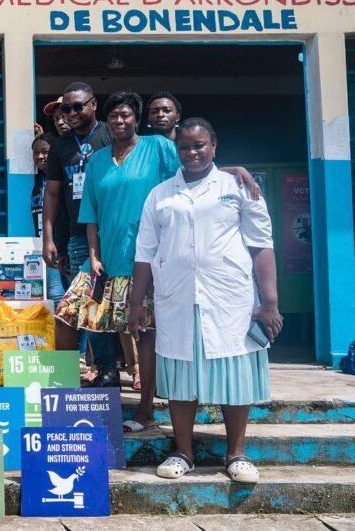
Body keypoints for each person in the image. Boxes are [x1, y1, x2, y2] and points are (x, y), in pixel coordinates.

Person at [128, 118, 282, 484]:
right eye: (185, 147)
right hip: (176, 297)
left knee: (234, 375)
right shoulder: (160, 194)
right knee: (181, 376)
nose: (193, 153)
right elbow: (145, 251)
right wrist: (136, 302)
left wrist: (270, 301)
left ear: (214, 145)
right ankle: (183, 451)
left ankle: (237, 453)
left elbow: (262, 245)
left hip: (229, 297)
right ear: (177, 150)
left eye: (200, 145)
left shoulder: (241, 187)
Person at [56, 92, 179, 431]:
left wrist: (235, 171)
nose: (120, 121)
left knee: (144, 333)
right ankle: (64, 397)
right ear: (106, 121)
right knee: (67, 315)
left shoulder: (159, 148)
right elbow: (91, 213)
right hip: (105, 260)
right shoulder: (96, 160)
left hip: (146, 259)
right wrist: (93, 255)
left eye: (125, 115)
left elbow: (188, 181)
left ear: (136, 118)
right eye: (114, 116)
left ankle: (146, 411)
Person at [41, 82, 119, 387]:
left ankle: (116, 368)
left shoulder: (109, 134)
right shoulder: (61, 146)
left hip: (111, 234)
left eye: (77, 107)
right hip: (76, 237)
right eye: (66, 109)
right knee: (88, 303)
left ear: (93, 104)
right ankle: (102, 369)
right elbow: (53, 195)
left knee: (112, 303)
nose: (71, 114)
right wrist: (49, 238)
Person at [30, 133, 66, 302]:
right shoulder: (37, 181)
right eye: (36, 153)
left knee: (57, 293)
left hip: (59, 243)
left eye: (45, 151)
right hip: (42, 245)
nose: (40, 156)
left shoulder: (61, 180)